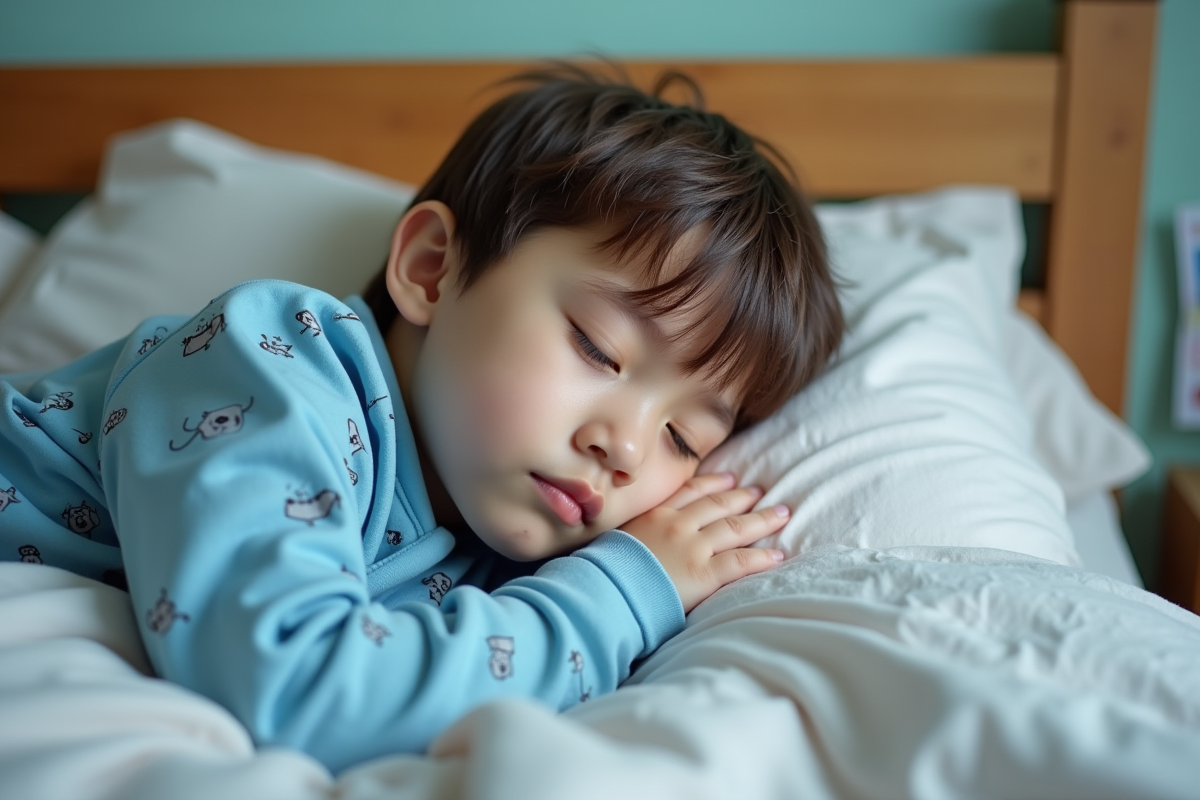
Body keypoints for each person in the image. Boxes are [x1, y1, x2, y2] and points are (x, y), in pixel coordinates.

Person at [0, 64, 844, 772]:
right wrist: (617, 596)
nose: (623, 448)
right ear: (433, 270)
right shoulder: (272, 364)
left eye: (681, 438)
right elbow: (291, 678)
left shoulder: (500, 563)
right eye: (596, 347)